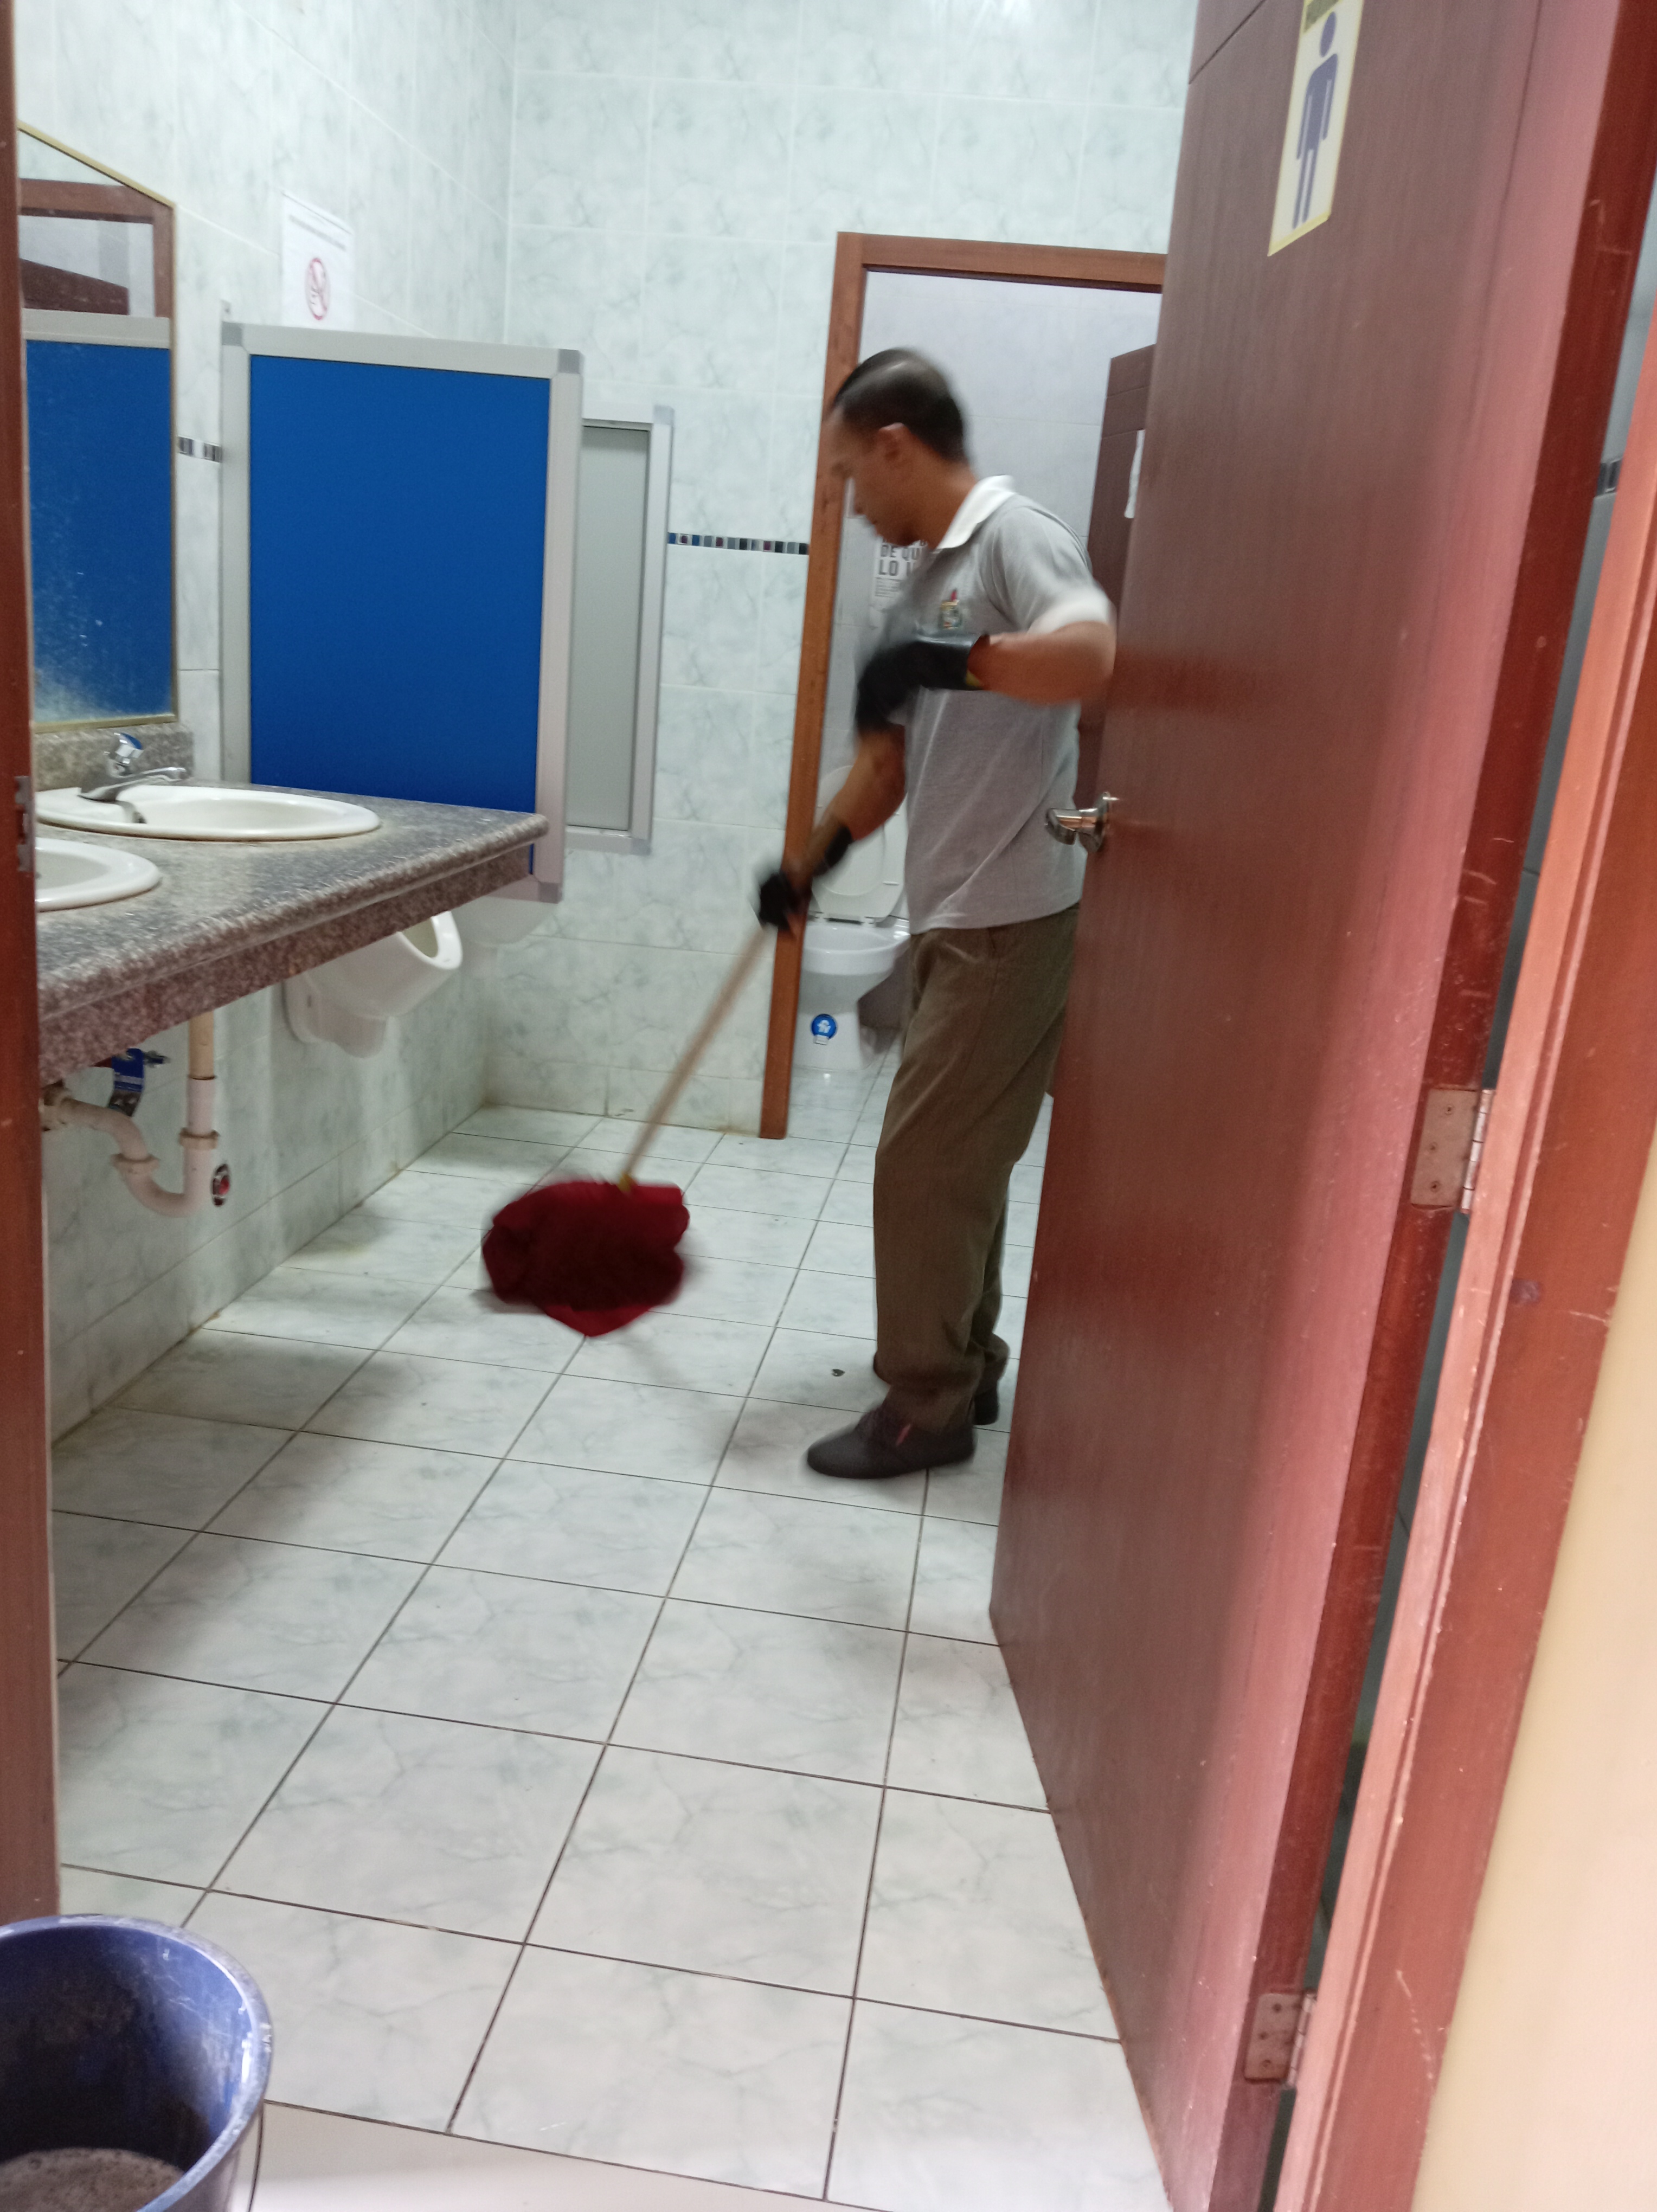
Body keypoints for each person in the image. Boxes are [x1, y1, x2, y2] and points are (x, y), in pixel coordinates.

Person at [757, 349, 1116, 1478]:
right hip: (953, 914)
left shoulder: (1014, 536)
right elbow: (886, 770)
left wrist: (952, 660)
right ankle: (969, 1360)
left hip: (1012, 916)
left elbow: (1090, 655)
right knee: (958, 1163)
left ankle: (926, 1404)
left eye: (849, 473)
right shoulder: (914, 585)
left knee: (921, 1168)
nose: (849, 499)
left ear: (895, 446)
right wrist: (808, 862)